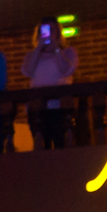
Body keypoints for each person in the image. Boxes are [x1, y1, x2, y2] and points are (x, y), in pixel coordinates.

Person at [21, 21, 78, 150]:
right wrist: (39, 48)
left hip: (60, 106)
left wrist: (56, 48)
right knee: (41, 145)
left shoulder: (68, 52)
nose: (47, 33)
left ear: (58, 33)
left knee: (61, 144)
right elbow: (28, 71)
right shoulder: (31, 55)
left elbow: (66, 70)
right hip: (37, 108)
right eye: (43, 31)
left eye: (52, 30)